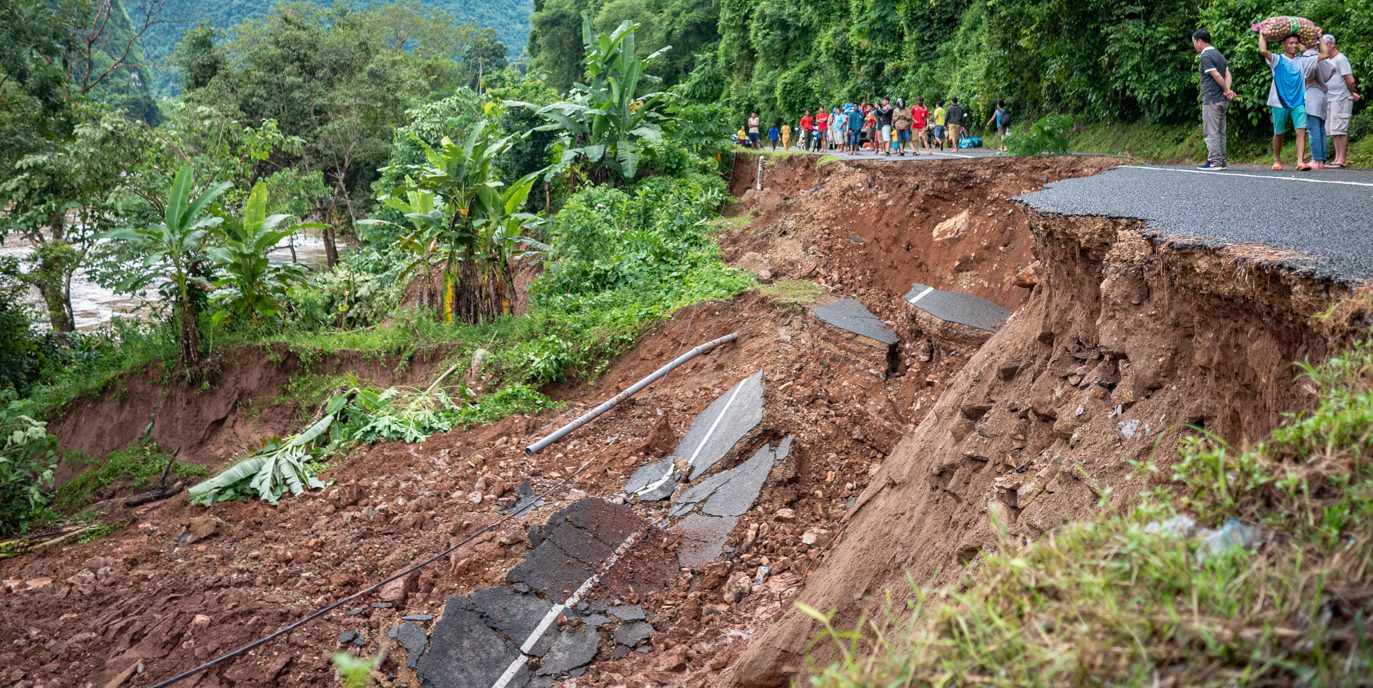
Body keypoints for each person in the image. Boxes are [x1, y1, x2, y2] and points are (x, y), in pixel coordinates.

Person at [1260, 31, 1329, 171]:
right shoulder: (1277, 59)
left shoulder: (1303, 60)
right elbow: (1262, 50)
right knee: (1278, 132)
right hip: (1279, 101)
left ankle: (1300, 161)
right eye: (1290, 43)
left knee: (1301, 130)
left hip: (1298, 101)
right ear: (1283, 44)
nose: (1294, 45)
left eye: (1296, 43)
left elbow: (1325, 54)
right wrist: (1261, 34)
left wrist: (1319, 36)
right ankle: (1277, 160)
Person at [1192, 30, 1237, 170]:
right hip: (1222, 100)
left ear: (1199, 41)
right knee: (1220, 131)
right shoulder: (1219, 55)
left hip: (1212, 99)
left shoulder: (1205, 56)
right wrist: (1227, 90)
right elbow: (1227, 74)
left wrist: (1226, 90)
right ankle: (1221, 160)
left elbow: (1217, 75)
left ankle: (1215, 161)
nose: (1194, 46)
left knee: (1211, 131)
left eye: (1194, 42)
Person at [1323, 35, 1361, 168]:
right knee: (1334, 129)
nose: (1322, 47)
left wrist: (1351, 92)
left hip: (1341, 97)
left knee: (1341, 128)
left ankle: (1342, 159)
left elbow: (1350, 80)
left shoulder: (1341, 59)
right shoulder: (1327, 60)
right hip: (1331, 98)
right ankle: (1337, 158)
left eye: (1324, 44)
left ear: (1331, 44)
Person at [1303, 45, 1336, 169]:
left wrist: (1309, 77)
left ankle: (1316, 159)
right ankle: (1321, 160)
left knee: (1313, 128)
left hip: (1312, 93)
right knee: (1321, 128)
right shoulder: (1318, 54)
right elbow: (1332, 69)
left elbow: (1310, 68)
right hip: (1321, 93)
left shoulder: (1308, 55)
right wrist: (1321, 79)